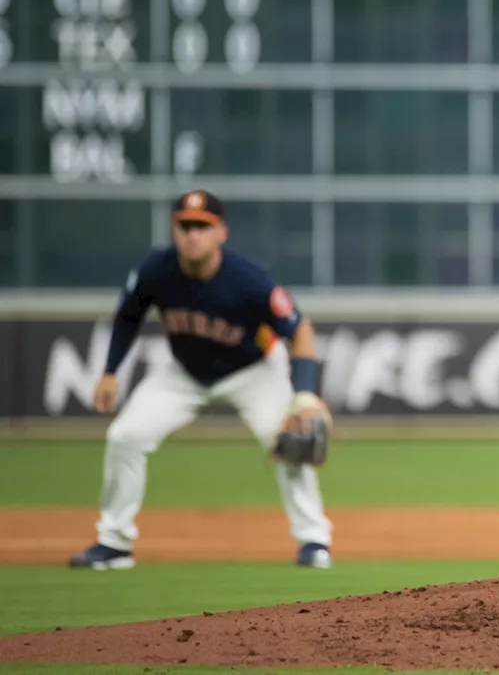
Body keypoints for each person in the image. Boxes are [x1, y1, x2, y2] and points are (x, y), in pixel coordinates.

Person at [68, 189, 334, 570]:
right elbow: (129, 316)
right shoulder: (156, 269)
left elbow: (300, 329)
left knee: (290, 439)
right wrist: (110, 371)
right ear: (174, 230)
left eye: (202, 227)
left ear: (221, 232)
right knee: (124, 436)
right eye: (185, 226)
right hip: (184, 374)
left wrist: (305, 394)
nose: (193, 234)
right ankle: (114, 543)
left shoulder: (250, 280)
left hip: (252, 371)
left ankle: (314, 540)